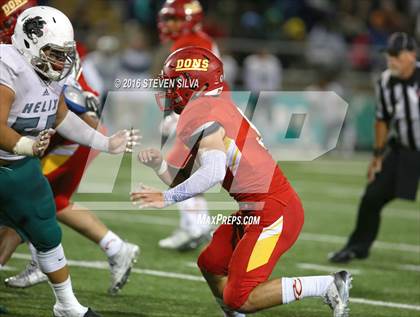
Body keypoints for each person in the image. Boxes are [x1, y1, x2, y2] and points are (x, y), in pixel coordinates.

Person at [132, 46, 352, 317]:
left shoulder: (202, 113)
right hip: (255, 208)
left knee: (240, 298)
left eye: (174, 83)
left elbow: (211, 174)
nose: (169, 90)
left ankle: (329, 285)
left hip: (273, 211)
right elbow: (186, 178)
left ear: (196, 84)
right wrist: (160, 166)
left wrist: (166, 199)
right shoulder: (215, 105)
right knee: (211, 263)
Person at [0, 6, 138, 317]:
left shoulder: (47, 72)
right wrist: (27, 145)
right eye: (54, 52)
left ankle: (68, 306)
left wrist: (105, 142)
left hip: (19, 166)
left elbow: (62, 116)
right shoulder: (6, 66)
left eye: (65, 53)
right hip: (11, 157)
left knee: (46, 229)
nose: (62, 61)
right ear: (28, 42)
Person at [329, 32, 420, 263]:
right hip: (404, 150)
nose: (391, 60)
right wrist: (378, 156)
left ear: (411, 55)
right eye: (388, 55)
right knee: (372, 197)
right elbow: (382, 119)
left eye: (396, 55)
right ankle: (357, 247)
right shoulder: (386, 81)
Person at [155, 0, 221, 251]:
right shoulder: (197, 39)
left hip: (204, 111)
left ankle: (194, 227)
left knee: (176, 170)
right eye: (167, 18)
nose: (168, 24)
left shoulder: (192, 43)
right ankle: (197, 226)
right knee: (186, 171)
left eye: (174, 19)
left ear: (189, 19)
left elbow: (197, 83)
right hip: (207, 109)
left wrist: (179, 117)